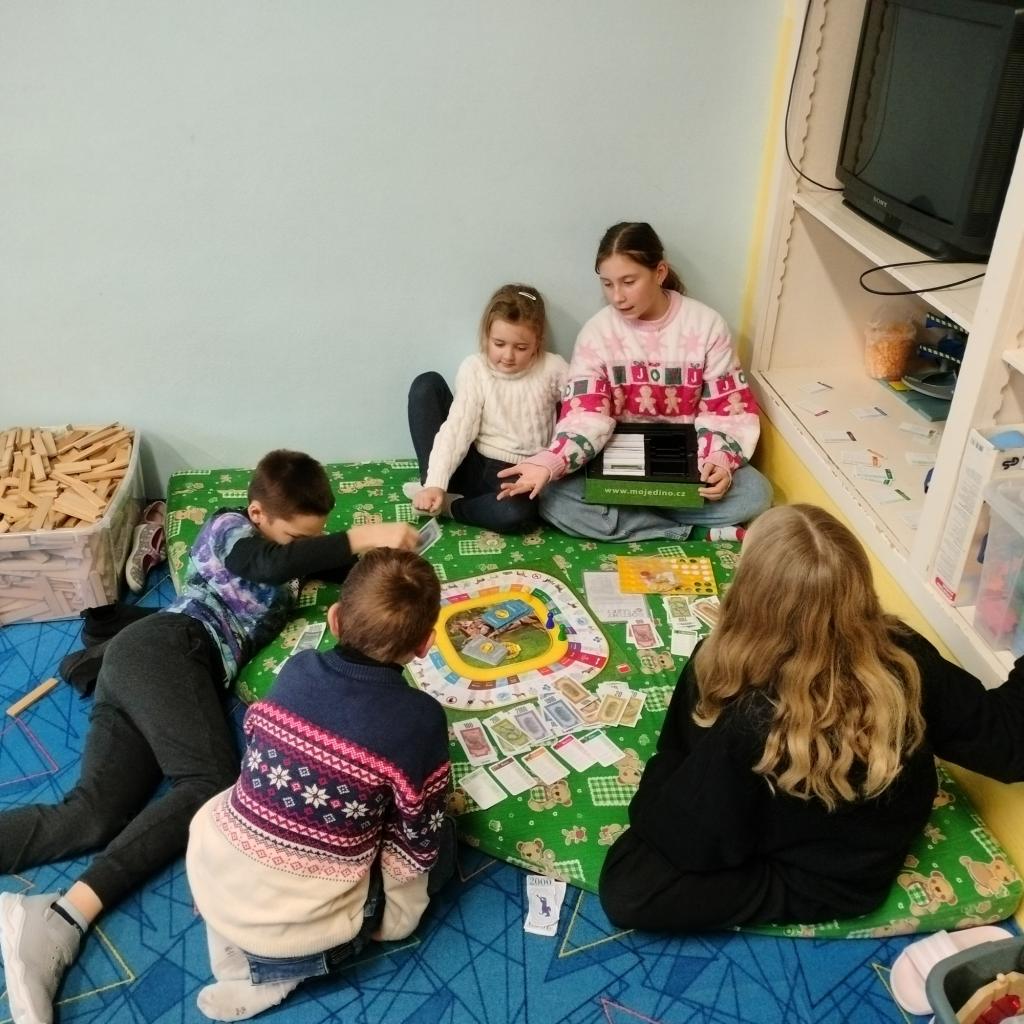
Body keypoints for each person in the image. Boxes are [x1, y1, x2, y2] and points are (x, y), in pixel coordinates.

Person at [0, 450, 418, 1024]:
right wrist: (363, 534)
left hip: (145, 669)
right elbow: (269, 562)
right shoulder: (230, 529)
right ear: (258, 514)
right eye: (297, 537)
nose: (302, 548)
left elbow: (335, 574)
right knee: (209, 784)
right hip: (170, 646)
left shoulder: (289, 555)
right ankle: (64, 916)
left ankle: (44, 915)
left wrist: (394, 570)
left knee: (92, 814)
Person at [598, 504, 1024, 932]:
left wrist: (659, 791)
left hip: (825, 878)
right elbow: (1010, 745)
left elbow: (686, 842)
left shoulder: (749, 713)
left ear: (748, 594)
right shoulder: (905, 655)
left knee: (630, 885)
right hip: (868, 851)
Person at [186, 547, 451, 1022]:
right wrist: (398, 920)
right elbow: (415, 838)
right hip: (308, 922)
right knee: (444, 836)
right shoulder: (422, 718)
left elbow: (258, 745)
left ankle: (232, 932)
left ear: (334, 620)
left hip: (215, 869)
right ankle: (278, 971)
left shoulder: (299, 666)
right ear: (426, 643)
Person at [497, 222, 773, 541]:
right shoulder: (597, 333)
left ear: (659, 272)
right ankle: (686, 528)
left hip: (685, 459)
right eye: (607, 284)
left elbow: (726, 409)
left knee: (756, 493)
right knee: (553, 496)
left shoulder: (707, 326)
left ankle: (629, 517)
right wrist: (551, 462)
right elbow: (585, 414)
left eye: (629, 282)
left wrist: (719, 461)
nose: (617, 297)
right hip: (615, 457)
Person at [406, 283, 568, 533]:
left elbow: (583, 409)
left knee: (518, 514)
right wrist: (436, 481)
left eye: (521, 348)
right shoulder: (475, 368)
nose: (508, 356)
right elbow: (458, 428)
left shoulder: (554, 368)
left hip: (518, 476)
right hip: (473, 465)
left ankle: (450, 506)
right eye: (499, 344)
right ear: (486, 336)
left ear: (538, 342)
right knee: (426, 384)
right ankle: (430, 490)